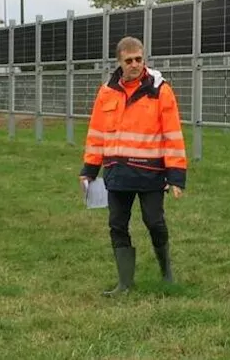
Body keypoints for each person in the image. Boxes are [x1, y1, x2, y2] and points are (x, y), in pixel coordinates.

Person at [79, 36, 187, 296]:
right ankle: (124, 283)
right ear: (119, 62)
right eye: (129, 61)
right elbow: (96, 133)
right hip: (116, 174)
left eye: (139, 59)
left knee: (154, 222)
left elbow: (172, 134)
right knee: (117, 225)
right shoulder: (106, 92)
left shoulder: (160, 90)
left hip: (151, 174)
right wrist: (89, 170)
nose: (135, 64)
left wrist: (176, 176)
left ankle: (166, 272)